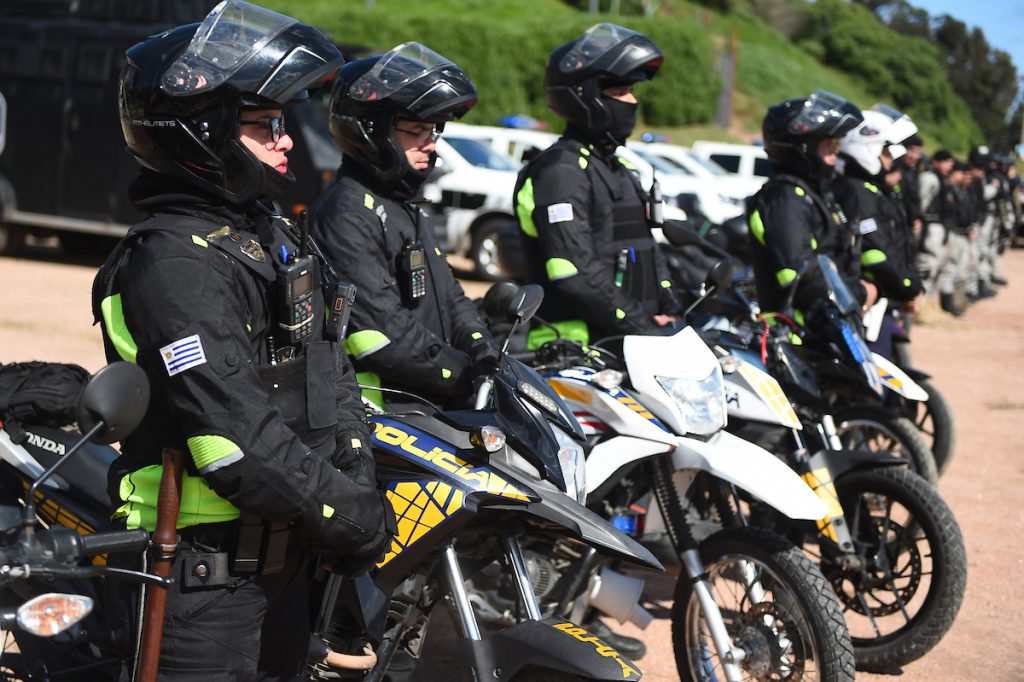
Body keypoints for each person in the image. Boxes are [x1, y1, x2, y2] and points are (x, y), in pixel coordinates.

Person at [91, 2, 392, 678]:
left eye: (283, 124)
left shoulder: (265, 237)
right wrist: (349, 514)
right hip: (200, 582)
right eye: (265, 127)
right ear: (201, 134)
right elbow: (232, 441)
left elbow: (330, 368)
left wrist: (355, 473)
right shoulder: (173, 264)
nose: (287, 143)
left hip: (287, 561)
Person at [309, 43, 498, 409]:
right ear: (371, 133)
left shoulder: (403, 203)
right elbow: (383, 330)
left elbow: (450, 295)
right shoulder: (344, 213)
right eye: (416, 131)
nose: (431, 145)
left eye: (434, 131)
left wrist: (482, 351)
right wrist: (461, 374)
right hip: (389, 410)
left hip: (432, 397)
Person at [513, 23, 683, 350]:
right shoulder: (559, 172)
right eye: (620, 92)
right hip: (576, 350)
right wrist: (643, 325)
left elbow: (646, 249)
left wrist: (670, 306)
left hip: (631, 343)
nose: (632, 101)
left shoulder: (618, 169)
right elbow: (575, 272)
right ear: (585, 97)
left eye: (632, 91)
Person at [746, 91, 874, 321]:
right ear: (803, 149)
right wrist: (861, 292)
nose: (836, 150)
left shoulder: (812, 193)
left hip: (827, 327)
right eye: (828, 144)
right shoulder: (784, 200)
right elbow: (801, 279)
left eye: (836, 142)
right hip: (794, 333)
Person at [833, 106, 924, 315]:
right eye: (885, 151)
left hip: (884, 294)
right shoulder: (856, 191)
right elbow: (875, 250)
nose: (890, 158)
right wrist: (909, 288)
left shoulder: (870, 188)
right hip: (869, 297)